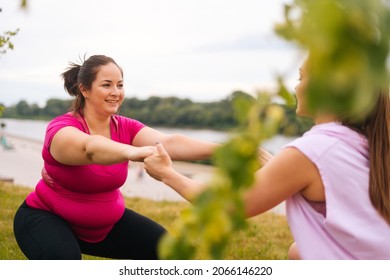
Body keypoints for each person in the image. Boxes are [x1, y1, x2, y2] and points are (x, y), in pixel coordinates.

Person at [144, 58, 390, 259]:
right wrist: (279, 167)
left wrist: (167, 173)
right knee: (297, 253)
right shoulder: (364, 140)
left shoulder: (313, 149)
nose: (295, 87)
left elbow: (228, 207)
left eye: (301, 78)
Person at [13, 54, 220, 260]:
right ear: (84, 89)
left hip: (104, 228)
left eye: (120, 85)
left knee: (167, 251)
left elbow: (169, 143)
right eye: (107, 85)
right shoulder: (62, 129)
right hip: (46, 218)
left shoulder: (125, 126)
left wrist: (226, 150)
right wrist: (133, 151)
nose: (115, 92)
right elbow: (89, 148)